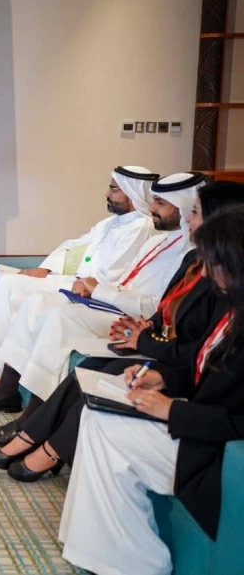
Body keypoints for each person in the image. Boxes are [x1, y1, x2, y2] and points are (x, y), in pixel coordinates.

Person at [0, 182, 244, 472]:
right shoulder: (192, 259)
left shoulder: (222, 281)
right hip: (149, 335)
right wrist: (144, 328)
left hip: (170, 360)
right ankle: (28, 433)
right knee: (91, 364)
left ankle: (45, 451)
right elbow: (164, 308)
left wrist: (143, 339)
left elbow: (196, 348)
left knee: (89, 356)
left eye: (193, 211)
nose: (186, 217)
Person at [59, 206, 244, 575]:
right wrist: (161, 378)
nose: (206, 272)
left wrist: (170, 410)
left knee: (109, 432)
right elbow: (204, 368)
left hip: (217, 452)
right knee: (96, 416)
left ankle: (138, 563)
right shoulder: (232, 309)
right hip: (198, 428)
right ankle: (107, 556)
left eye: (212, 262)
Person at [0, 172, 206, 416]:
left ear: (183, 207)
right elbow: (109, 270)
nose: (151, 207)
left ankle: (33, 415)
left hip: (131, 315)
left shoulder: (189, 254)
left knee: (57, 316)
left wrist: (97, 289)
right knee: (35, 302)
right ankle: (5, 388)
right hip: (106, 299)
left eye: (160, 203)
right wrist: (88, 288)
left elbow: (157, 306)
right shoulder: (158, 240)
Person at [0, 166, 158, 391]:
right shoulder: (111, 223)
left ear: (132, 194)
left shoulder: (141, 227)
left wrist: (79, 282)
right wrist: (47, 269)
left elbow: (110, 273)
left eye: (113, 190)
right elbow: (72, 245)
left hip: (87, 289)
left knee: (9, 285)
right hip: (69, 279)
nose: (107, 194)